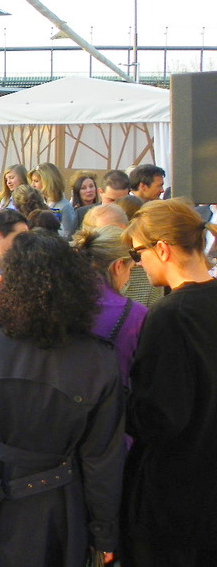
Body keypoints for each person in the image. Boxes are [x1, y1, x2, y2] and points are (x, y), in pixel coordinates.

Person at [0, 230, 124, 567]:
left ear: (9, 282)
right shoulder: (98, 359)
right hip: (51, 503)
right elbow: (101, 458)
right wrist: (103, 532)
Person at [120, 199, 217, 565]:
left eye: (138, 252)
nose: (137, 263)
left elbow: (160, 416)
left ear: (162, 248)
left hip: (177, 494)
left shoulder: (169, 315)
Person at [71, 226, 148, 385]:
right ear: (118, 266)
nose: (129, 278)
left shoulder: (59, 298)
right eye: (131, 269)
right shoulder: (136, 315)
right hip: (113, 396)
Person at [29, 162, 77, 237]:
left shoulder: (65, 206)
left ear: (48, 182)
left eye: (36, 181)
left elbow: (68, 234)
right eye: (32, 181)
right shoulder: (37, 203)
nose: (32, 185)